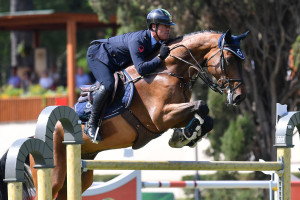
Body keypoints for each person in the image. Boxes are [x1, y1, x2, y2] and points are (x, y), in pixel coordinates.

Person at [85, 8, 176, 142]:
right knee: (108, 84)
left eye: (169, 26)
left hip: (115, 60)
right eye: (166, 26)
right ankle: (91, 125)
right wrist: (159, 58)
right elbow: (141, 69)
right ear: (154, 27)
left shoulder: (157, 42)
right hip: (98, 55)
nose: (169, 29)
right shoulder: (138, 41)